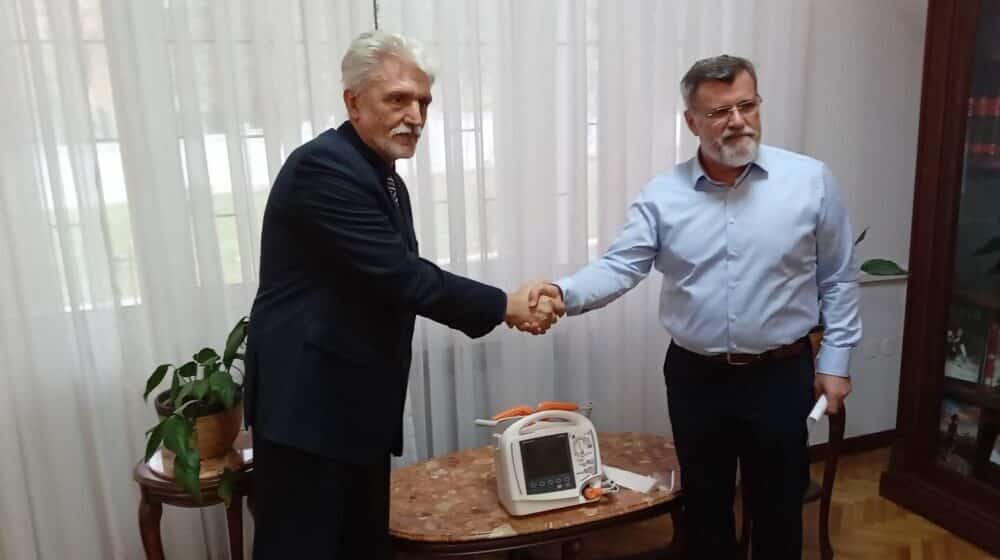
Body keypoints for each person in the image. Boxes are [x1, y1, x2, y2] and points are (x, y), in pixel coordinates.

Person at [528, 55, 861, 559]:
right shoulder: (663, 195)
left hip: (779, 375)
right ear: (691, 122)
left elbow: (837, 277)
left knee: (778, 509)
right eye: (719, 111)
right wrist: (562, 293)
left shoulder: (810, 181)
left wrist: (835, 362)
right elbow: (621, 266)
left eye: (747, 105)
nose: (737, 121)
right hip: (696, 379)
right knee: (704, 509)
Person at [244, 31, 562, 559]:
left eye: (424, 102)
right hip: (309, 411)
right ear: (353, 102)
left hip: (351, 407)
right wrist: (506, 305)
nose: (415, 116)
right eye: (398, 99)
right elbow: (401, 276)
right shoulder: (323, 168)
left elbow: (392, 280)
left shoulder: (382, 175)